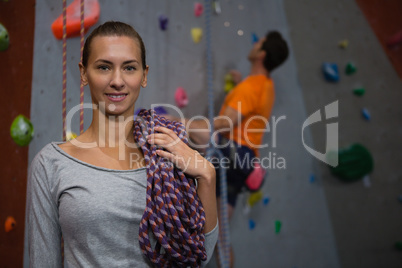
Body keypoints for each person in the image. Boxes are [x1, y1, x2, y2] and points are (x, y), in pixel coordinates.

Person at [26, 21, 218, 267]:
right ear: (84, 73)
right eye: (104, 67)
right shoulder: (50, 164)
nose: (117, 80)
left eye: (129, 68)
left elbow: (198, 258)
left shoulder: (167, 154)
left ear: (144, 75)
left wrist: (207, 176)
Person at [170, 31, 289, 267]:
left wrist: (187, 126)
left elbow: (225, 123)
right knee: (220, 235)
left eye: (259, 43)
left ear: (261, 54)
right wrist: (238, 86)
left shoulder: (250, 88)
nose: (254, 44)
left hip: (233, 154)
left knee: (180, 125)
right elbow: (251, 109)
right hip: (244, 166)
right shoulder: (266, 87)